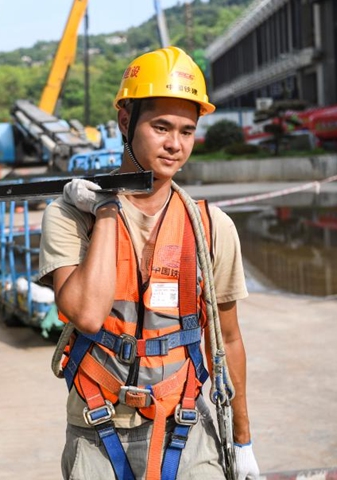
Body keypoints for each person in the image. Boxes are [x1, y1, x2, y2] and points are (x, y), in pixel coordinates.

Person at [39, 46, 260, 479]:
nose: (175, 145)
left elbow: (227, 340)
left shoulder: (210, 227)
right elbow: (85, 314)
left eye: (187, 130)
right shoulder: (69, 216)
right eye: (161, 127)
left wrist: (243, 437)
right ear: (126, 122)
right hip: (96, 427)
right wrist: (105, 211)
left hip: (186, 425)